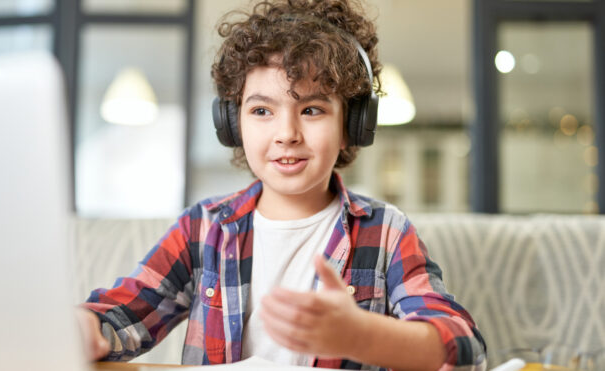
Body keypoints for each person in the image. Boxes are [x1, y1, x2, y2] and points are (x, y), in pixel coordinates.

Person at [77, 0, 487, 370]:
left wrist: (360, 335)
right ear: (233, 125)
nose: (286, 133)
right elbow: (122, 317)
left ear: (352, 126)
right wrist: (84, 325)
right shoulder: (203, 228)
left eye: (311, 109)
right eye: (261, 110)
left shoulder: (386, 232)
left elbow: (465, 347)